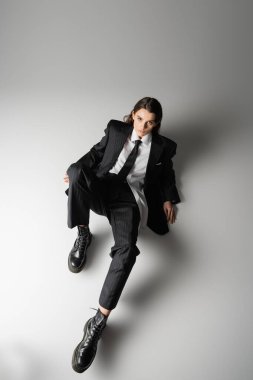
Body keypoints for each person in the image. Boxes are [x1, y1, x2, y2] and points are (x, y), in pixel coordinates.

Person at [63, 97, 181, 373]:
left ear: (156, 124)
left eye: (150, 122)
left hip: (128, 199)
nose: (143, 127)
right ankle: (84, 234)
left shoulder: (164, 148)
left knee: (127, 251)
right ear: (132, 116)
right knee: (78, 172)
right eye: (140, 119)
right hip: (103, 186)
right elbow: (96, 153)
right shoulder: (116, 130)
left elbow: (167, 175)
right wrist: (74, 172)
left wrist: (167, 198)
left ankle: (97, 324)